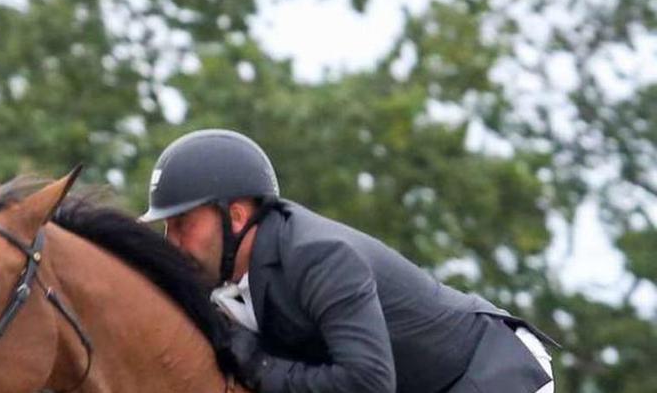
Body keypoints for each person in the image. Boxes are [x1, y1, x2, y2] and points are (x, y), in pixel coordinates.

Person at [140, 129, 557, 393]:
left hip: (492, 372)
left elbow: (368, 384)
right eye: (165, 227)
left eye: (182, 224)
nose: (171, 243)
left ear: (236, 216)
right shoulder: (222, 283)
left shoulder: (319, 257)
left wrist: (258, 363)